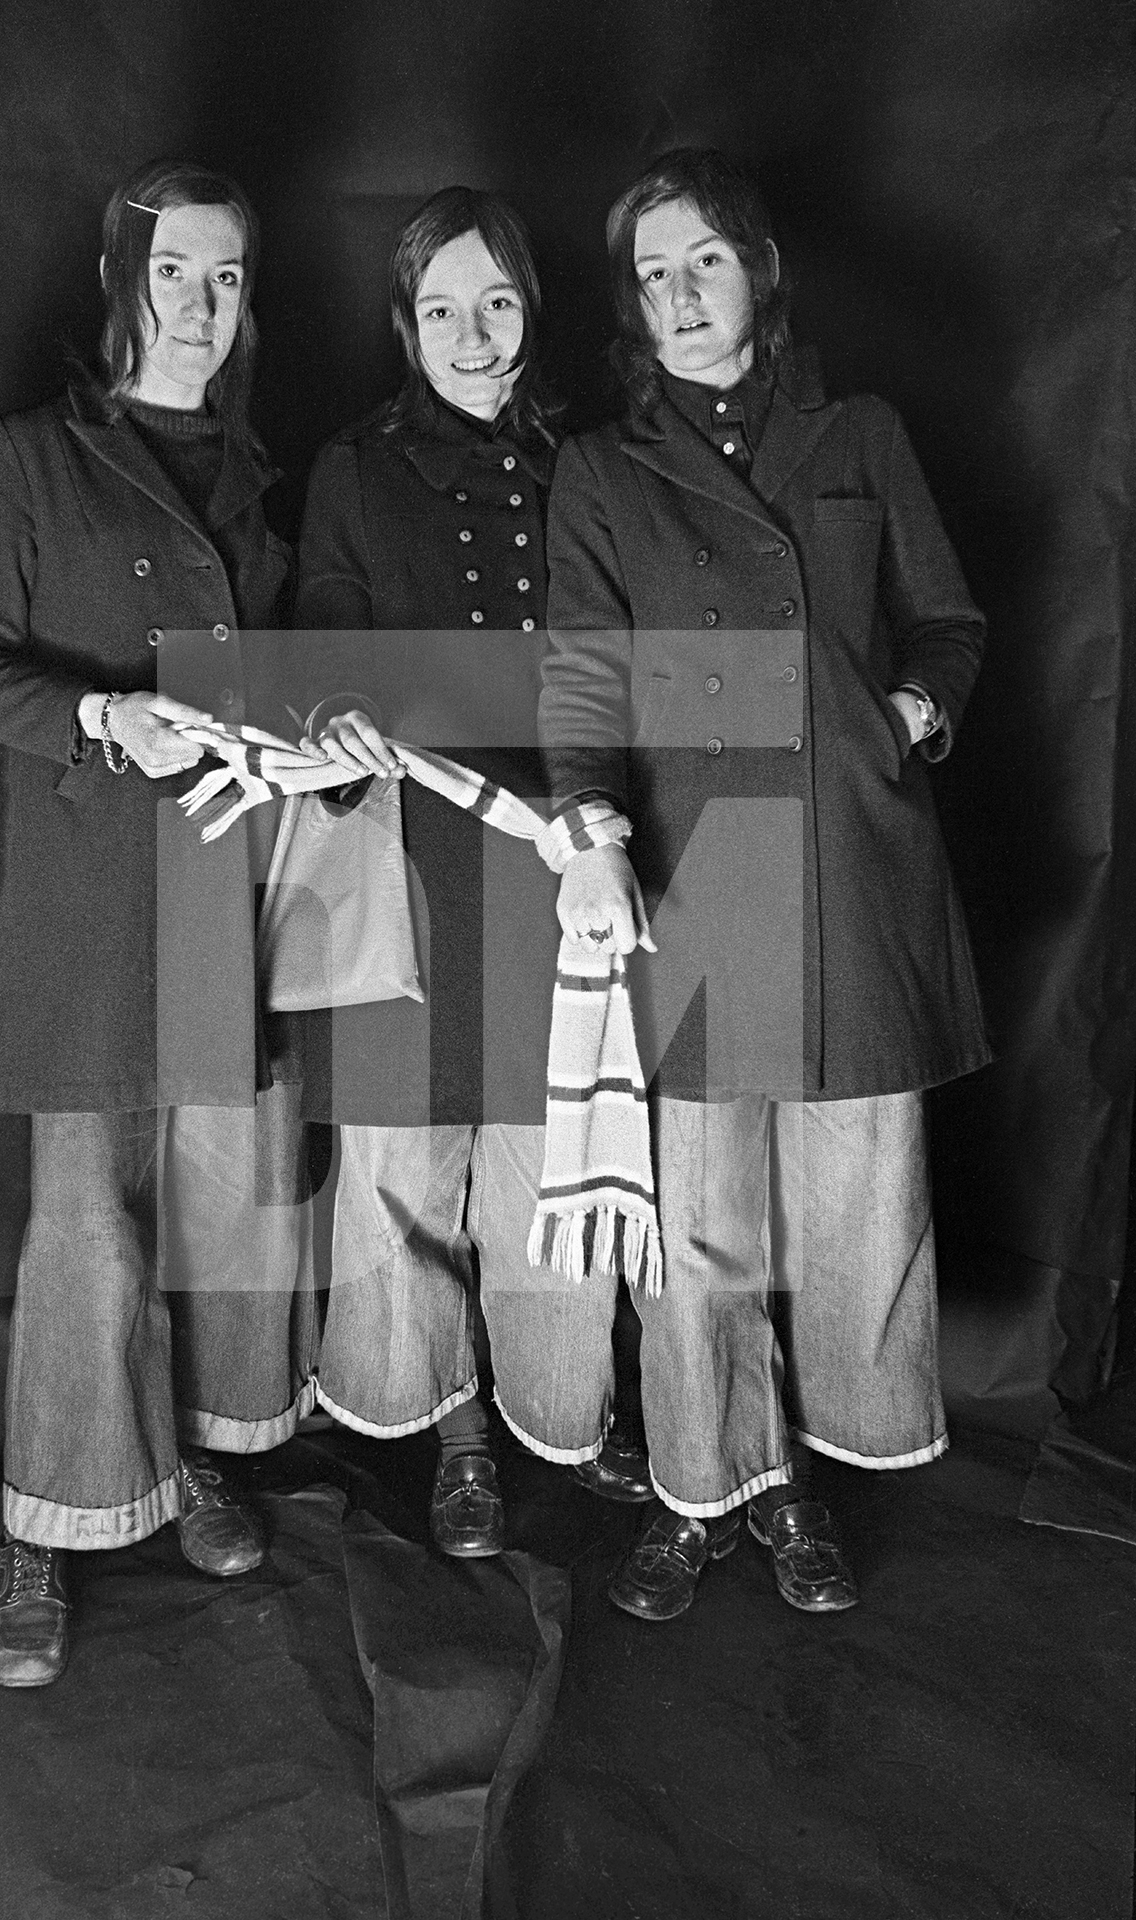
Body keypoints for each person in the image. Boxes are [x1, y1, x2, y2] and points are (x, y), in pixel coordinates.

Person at [539, 148, 989, 1621]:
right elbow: (586, 678)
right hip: (702, 853)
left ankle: (817, 1469)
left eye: (704, 264)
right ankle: (707, 1485)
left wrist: (912, 717)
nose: (678, 296)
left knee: (856, 1188)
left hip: (851, 856)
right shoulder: (606, 470)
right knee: (702, 1211)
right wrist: (594, 828)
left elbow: (949, 620)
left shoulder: (861, 433)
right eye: (653, 276)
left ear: (760, 274)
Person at [0, 159, 320, 1687]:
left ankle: (183, 1465)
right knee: (86, 1217)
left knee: (223, 1204)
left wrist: (313, 747)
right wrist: (103, 717)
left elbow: (275, 683)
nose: (204, 304)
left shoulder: (255, 476)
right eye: (178, 273)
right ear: (123, 284)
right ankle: (45, 1520)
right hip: (93, 892)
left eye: (229, 277)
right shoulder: (31, 457)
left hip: (228, 888)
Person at [290, 186, 650, 1558]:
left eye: (494, 301)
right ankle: (454, 1436)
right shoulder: (355, 469)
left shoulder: (594, 462)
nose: (470, 332)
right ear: (405, 324)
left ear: (533, 309)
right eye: (440, 308)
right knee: (403, 1157)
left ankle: (563, 1408)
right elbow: (326, 634)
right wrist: (329, 727)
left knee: (550, 1148)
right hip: (408, 863)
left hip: (566, 860)